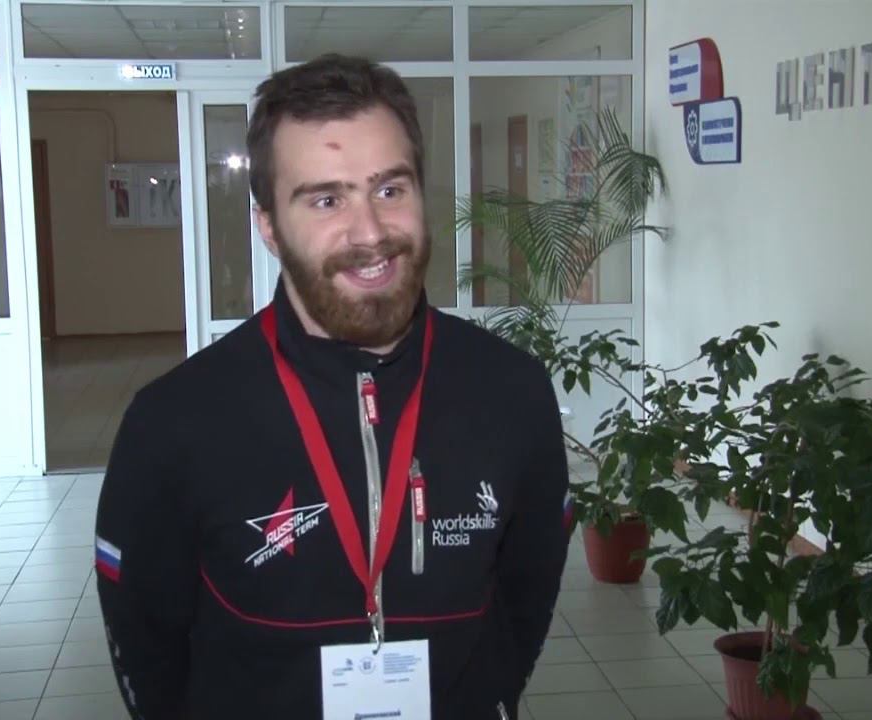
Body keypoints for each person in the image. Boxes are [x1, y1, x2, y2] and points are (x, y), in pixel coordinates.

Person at [94, 53, 570, 720]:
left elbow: (526, 601)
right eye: (326, 200)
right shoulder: (174, 423)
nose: (370, 233)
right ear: (268, 226)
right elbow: (148, 648)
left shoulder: (513, 394)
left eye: (390, 190)